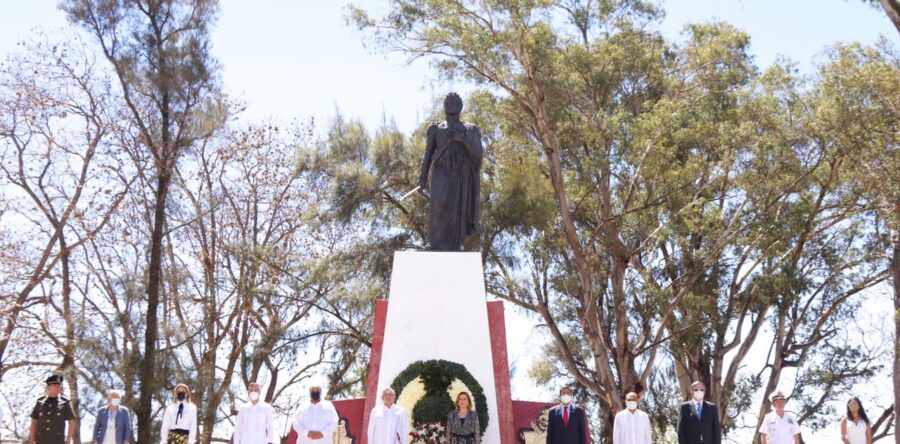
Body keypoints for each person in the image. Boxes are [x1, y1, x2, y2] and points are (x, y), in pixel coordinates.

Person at [417, 92, 484, 251]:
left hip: (460, 177)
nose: (451, 104)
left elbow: (478, 156)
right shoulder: (436, 128)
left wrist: (464, 140)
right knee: (438, 206)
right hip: (441, 173)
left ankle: (456, 245)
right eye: (448, 101)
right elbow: (427, 155)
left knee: (458, 212)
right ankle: (435, 244)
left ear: (460, 106)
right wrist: (422, 178)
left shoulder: (470, 129)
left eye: (454, 102)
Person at [29, 374, 76, 444]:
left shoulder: (65, 402)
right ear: (48, 387)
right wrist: (31, 439)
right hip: (41, 440)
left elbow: (72, 421)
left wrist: (68, 440)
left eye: (59, 385)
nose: (58, 387)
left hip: (57, 440)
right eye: (54, 385)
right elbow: (34, 422)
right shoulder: (40, 401)